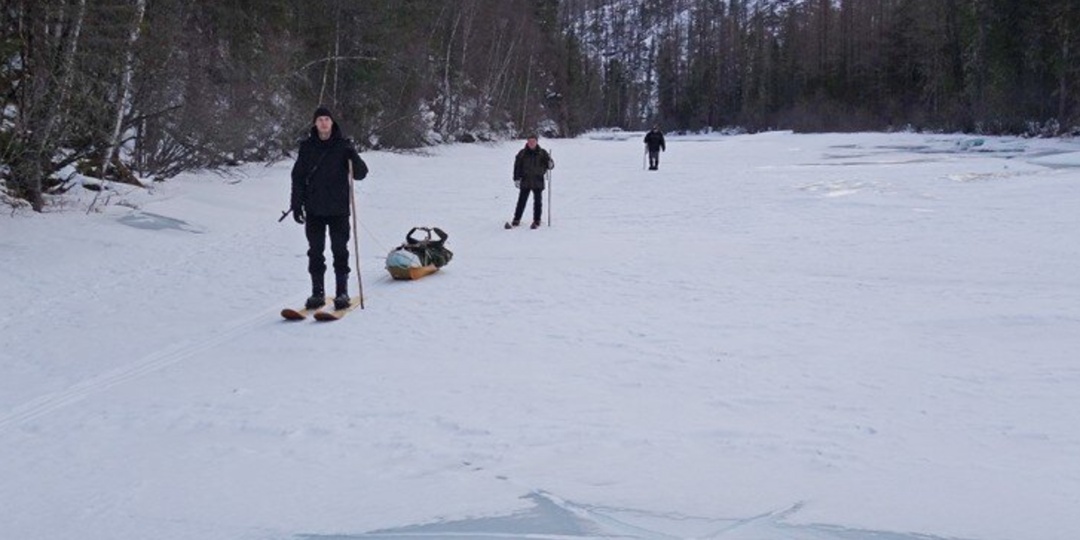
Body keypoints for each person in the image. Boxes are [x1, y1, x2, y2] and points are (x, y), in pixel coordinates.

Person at [290, 106, 368, 310]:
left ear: (332, 123)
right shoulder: (307, 147)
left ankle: (342, 292)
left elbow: (360, 174)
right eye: (320, 119)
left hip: (338, 209)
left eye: (327, 119)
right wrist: (296, 204)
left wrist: (353, 155)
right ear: (315, 124)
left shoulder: (343, 146)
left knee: (339, 250)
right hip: (314, 209)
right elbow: (297, 177)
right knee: (315, 251)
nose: (323, 123)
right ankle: (317, 293)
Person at [509, 134, 554, 229]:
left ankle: (537, 220)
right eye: (530, 141)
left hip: (538, 180)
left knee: (538, 202)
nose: (531, 143)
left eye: (533, 141)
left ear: (536, 142)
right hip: (525, 180)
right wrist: (516, 178)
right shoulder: (522, 153)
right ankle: (516, 219)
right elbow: (517, 167)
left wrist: (550, 164)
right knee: (521, 201)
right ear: (527, 142)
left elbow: (550, 165)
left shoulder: (542, 153)